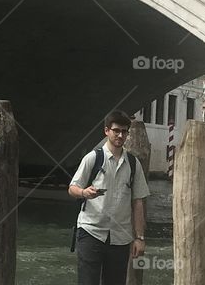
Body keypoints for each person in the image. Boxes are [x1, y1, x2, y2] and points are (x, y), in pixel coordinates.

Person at [69, 110, 149, 285]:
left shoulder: (133, 164)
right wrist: (84, 193)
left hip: (120, 237)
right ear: (107, 131)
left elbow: (138, 203)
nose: (121, 135)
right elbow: (72, 188)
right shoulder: (93, 158)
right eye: (116, 131)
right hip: (91, 232)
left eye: (124, 131)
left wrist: (139, 238)